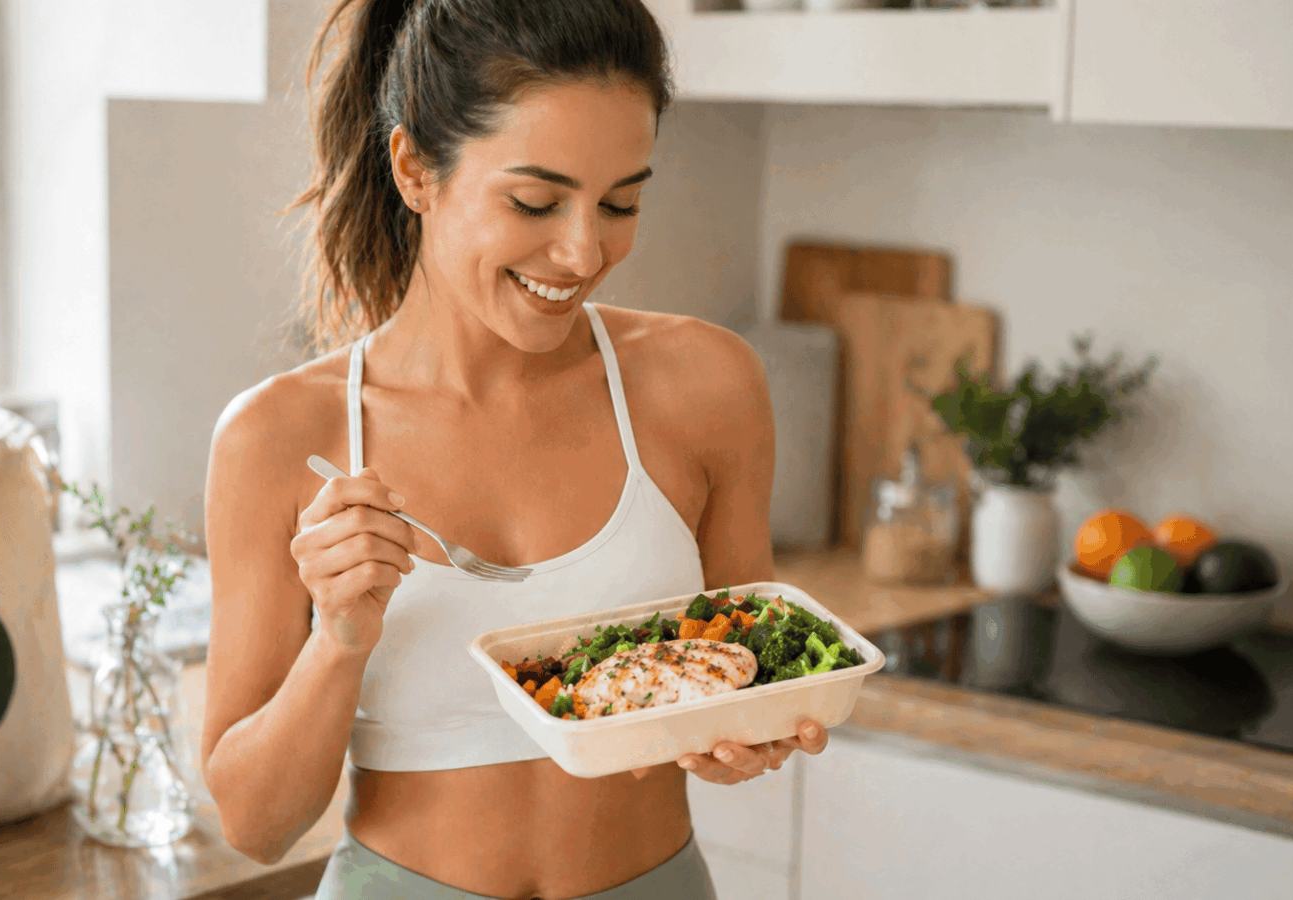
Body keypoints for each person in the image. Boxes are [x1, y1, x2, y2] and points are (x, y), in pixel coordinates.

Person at [199, 1, 829, 897]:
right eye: (535, 200)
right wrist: (337, 642)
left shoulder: (707, 387)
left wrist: (740, 732)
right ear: (415, 167)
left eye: (621, 202)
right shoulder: (282, 439)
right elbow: (255, 827)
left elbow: (747, 676)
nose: (582, 251)